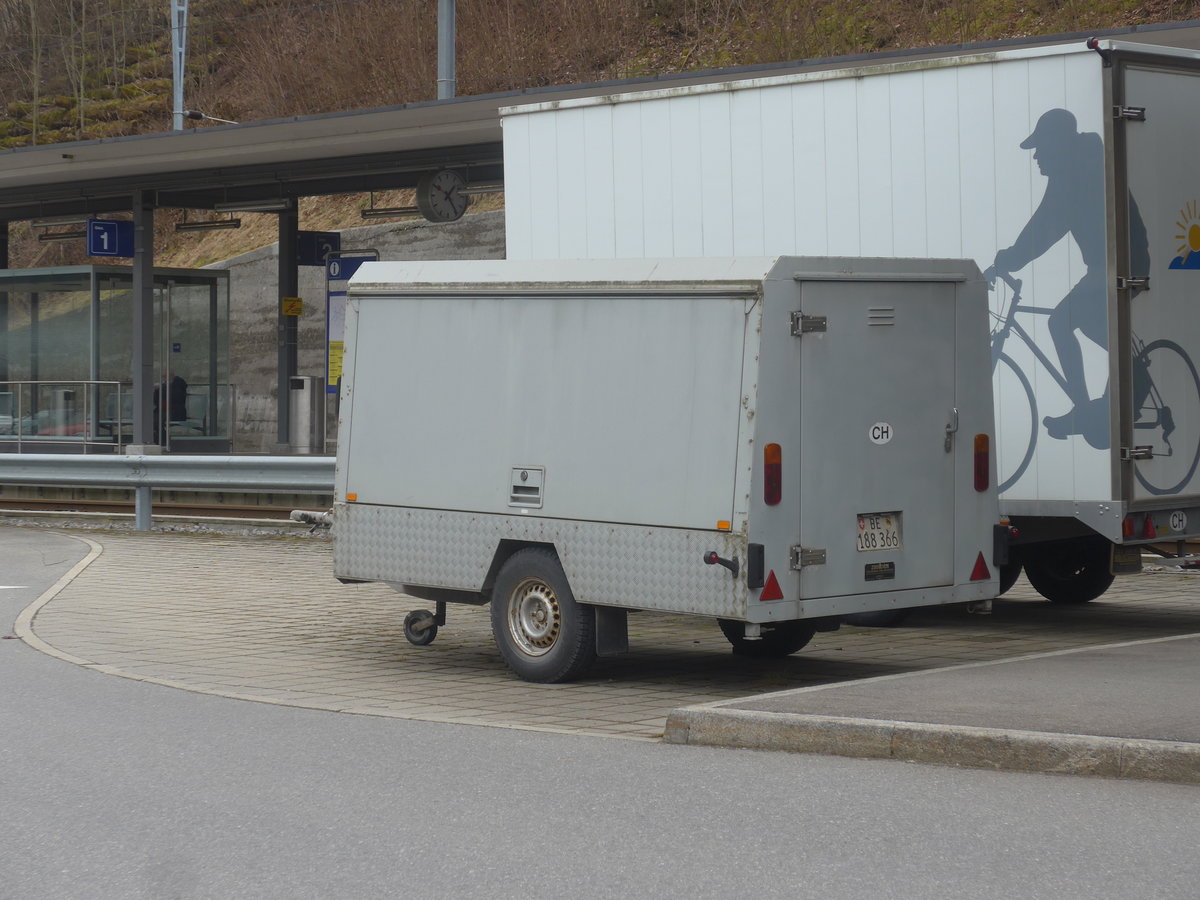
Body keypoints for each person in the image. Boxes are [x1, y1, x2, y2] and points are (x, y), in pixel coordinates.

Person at [986, 108, 1108, 448]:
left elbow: (1045, 228)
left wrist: (1006, 261)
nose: (1037, 156)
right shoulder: (1080, 165)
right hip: (1109, 266)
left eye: (1041, 147)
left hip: (1116, 266)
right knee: (1089, 325)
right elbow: (1045, 226)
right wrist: (1009, 260)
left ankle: (1087, 410)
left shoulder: (1075, 173)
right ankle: (1104, 401)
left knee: (1060, 322)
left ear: (1059, 143)